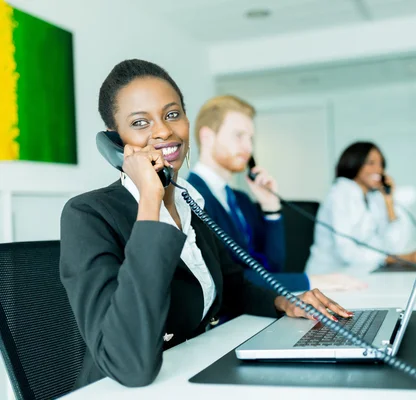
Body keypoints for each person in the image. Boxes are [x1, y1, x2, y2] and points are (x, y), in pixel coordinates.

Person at [59, 59, 352, 390]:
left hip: (194, 374)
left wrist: (283, 301)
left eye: (172, 114)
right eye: (140, 122)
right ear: (114, 141)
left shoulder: (189, 204)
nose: (164, 131)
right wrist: (151, 201)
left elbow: (231, 288)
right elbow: (131, 367)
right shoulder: (88, 214)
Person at [187, 95, 367, 292]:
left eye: (251, 138)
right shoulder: (190, 197)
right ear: (207, 137)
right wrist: (309, 282)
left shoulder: (242, 200)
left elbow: (272, 267)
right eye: (239, 136)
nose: (248, 147)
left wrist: (271, 208)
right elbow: (224, 278)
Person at [306, 141, 416, 274]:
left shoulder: (372, 198)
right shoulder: (340, 194)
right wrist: (396, 259)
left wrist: (389, 202)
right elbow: (347, 253)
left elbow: (394, 245)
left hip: (363, 272)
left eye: (381, 164)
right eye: (371, 163)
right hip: (328, 277)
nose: (379, 170)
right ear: (354, 163)